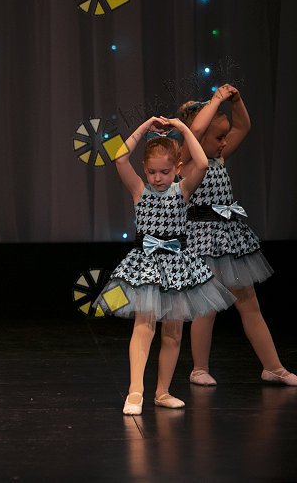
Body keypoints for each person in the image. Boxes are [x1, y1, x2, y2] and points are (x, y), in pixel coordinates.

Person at [94, 116, 235, 415]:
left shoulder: (182, 191)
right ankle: (135, 391)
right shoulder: (139, 191)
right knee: (144, 326)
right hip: (146, 264)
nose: (157, 178)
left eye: (165, 172)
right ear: (144, 169)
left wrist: (182, 128)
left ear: (178, 168)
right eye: (152, 172)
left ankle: (163, 391)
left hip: (178, 266)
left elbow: (202, 162)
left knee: (173, 333)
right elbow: (120, 158)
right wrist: (145, 126)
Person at [179, 85, 296, 386]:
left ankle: (273, 367)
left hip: (229, 237)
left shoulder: (218, 157)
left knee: (249, 302)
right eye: (218, 137)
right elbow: (197, 129)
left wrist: (237, 101)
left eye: (224, 137)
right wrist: (216, 99)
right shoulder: (186, 161)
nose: (224, 142)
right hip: (202, 238)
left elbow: (243, 126)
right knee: (207, 307)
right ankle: (199, 369)